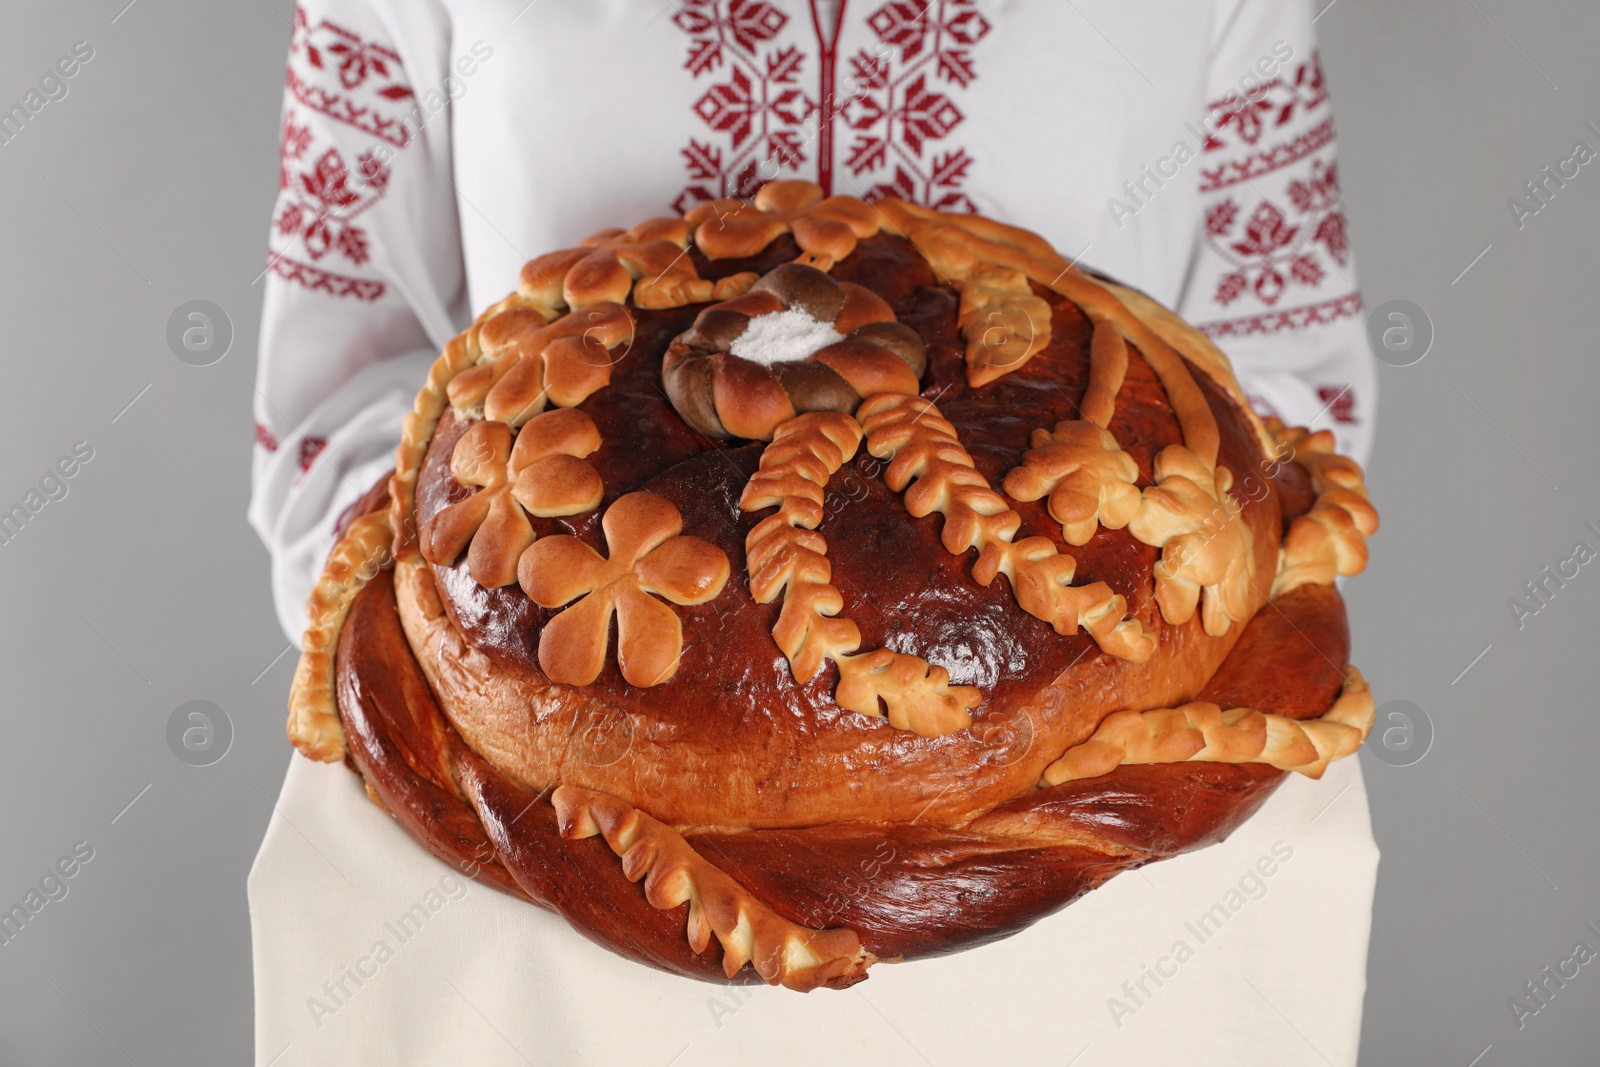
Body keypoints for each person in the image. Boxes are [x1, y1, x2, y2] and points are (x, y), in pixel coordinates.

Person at [249, 2, 1378, 1063]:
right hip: (534, 820)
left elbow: (1287, 384)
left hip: (1123, 912)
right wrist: (474, 657)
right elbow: (332, 399)